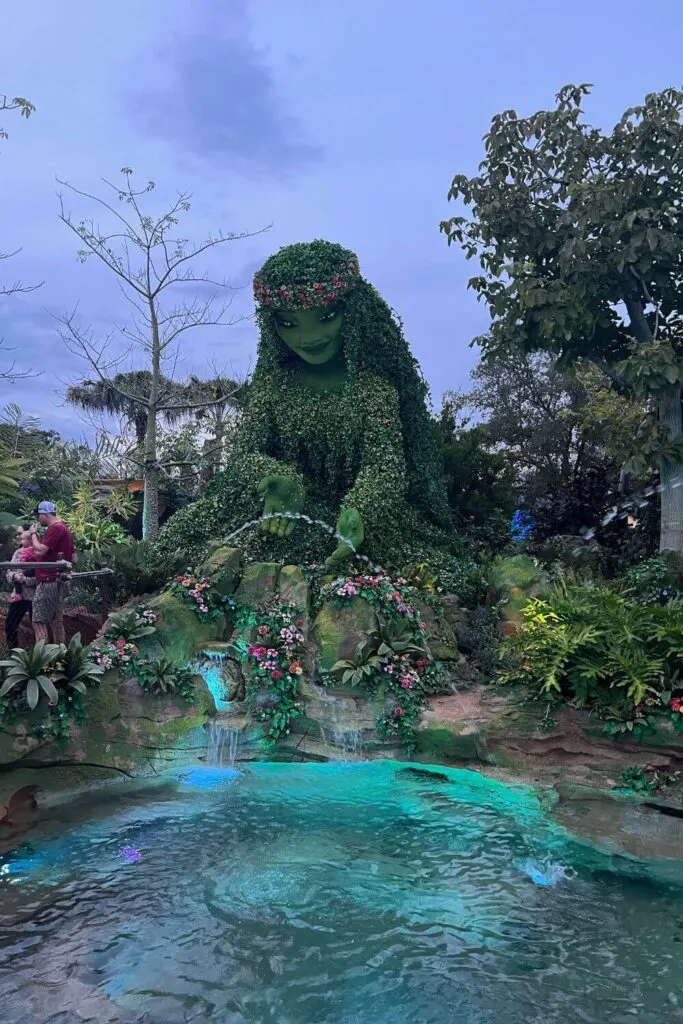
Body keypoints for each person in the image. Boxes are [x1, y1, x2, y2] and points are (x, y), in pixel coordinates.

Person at [30, 501, 77, 644]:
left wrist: (33, 535)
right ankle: (60, 655)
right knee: (56, 620)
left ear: (45, 514)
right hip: (61, 579)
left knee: (38, 621)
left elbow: (40, 549)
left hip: (49, 580)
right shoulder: (65, 529)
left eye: (38, 516)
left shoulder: (55, 528)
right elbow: (75, 558)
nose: (37, 519)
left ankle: (42, 658)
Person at [4, 528, 36, 649]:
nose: (20, 540)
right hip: (19, 595)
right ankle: (14, 652)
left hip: (34, 596)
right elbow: (9, 571)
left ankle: (40, 654)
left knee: (38, 626)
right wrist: (15, 577)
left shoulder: (38, 554)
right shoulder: (18, 552)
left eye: (23, 538)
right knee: (10, 625)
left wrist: (25, 580)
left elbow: (40, 576)